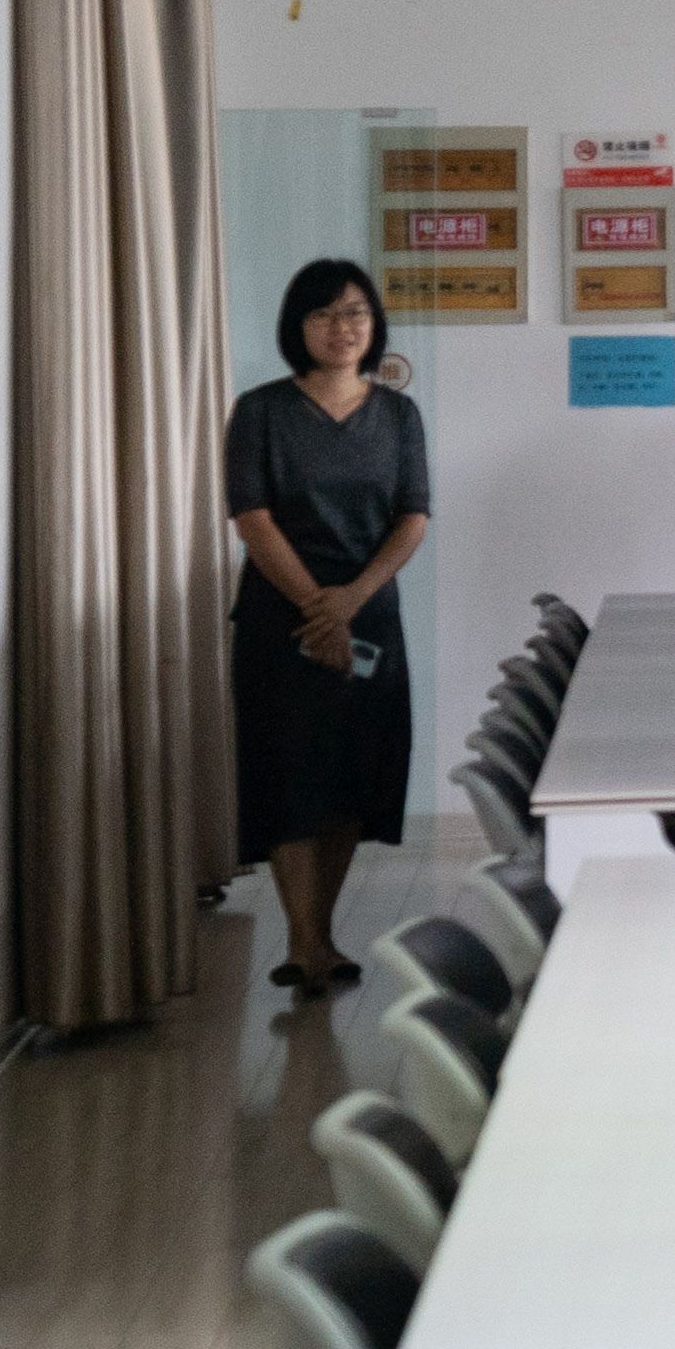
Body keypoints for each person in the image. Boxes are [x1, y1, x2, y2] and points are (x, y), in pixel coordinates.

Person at [224, 259, 432, 996]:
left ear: (374, 325)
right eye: (324, 315)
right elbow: (252, 518)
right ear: (297, 326)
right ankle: (304, 940)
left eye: (355, 314)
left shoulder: (399, 415)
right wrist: (318, 606)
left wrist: (350, 602)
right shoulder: (260, 411)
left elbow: (413, 518)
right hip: (279, 619)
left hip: (369, 615)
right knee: (290, 775)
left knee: (352, 775)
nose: (342, 328)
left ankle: (323, 932)